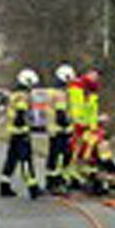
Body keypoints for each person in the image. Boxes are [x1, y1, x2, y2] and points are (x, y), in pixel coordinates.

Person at [0, 68, 42, 199]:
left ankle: (4, 185)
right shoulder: (23, 96)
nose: (32, 88)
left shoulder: (14, 94)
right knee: (25, 161)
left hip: (13, 132)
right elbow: (20, 115)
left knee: (11, 159)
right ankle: (32, 187)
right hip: (21, 133)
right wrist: (26, 126)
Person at [67, 66, 101, 186]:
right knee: (75, 151)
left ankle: (85, 174)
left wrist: (94, 128)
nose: (95, 78)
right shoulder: (77, 87)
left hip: (85, 127)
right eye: (93, 75)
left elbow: (92, 112)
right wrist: (78, 124)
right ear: (87, 73)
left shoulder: (93, 90)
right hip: (77, 126)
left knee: (88, 150)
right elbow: (75, 108)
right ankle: (71, 176)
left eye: (97, 76)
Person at [45, 63, 75, 192]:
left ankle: (50, 181)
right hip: (61, 131)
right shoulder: (60, 94)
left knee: (53, 156)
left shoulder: (50, 92)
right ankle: (57, 182)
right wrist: (69, 125)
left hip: (52, 130)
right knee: (61, 157)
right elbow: (61, 114)